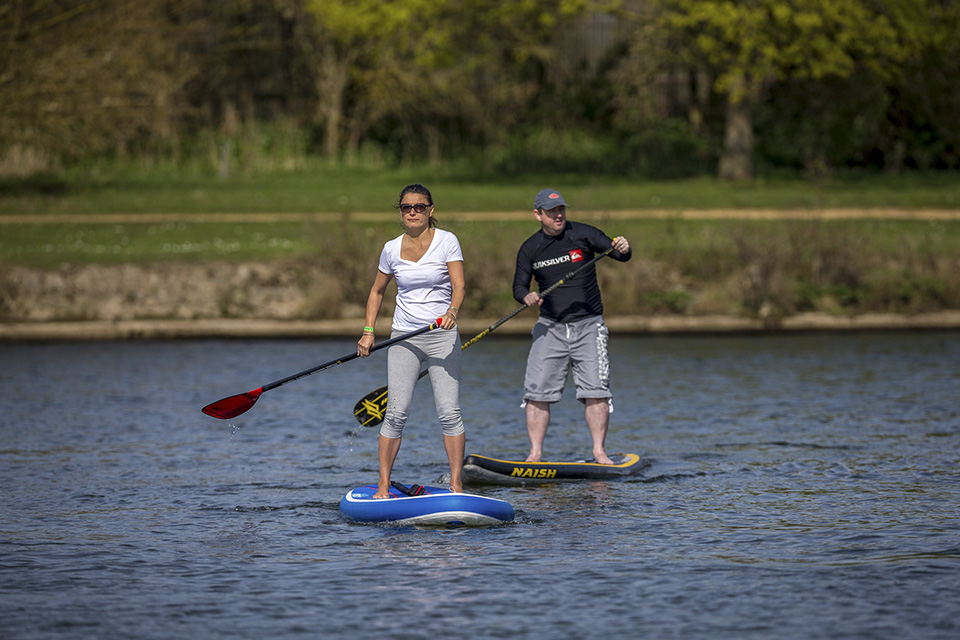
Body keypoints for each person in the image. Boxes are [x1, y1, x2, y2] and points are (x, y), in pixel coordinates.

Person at [357, 184, 466, 498]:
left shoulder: (447, 241)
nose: (413, 212)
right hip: (404, 337)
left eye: (419, 206)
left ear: (430, 210)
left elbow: (459, 286)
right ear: (401, 212)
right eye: (407, 207)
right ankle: (382, 487)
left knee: (449, 412)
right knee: (396, 413)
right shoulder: (391, 248)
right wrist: (368, 331)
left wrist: (452, 311)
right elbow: (377, 292)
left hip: (442, 335)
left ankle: (456, 486)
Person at [512, 188, 632, 464]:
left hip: (589, 326)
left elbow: (618, 253)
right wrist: (526, 295)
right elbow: (519, 286)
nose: (558, 215)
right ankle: (535, 454)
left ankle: (599, 452)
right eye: (552, 211)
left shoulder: (584, 234)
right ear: (537, 215)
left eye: (561, 209)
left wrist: (624, 247)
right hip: (549, 326)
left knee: (596, 391)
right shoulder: (530, 248)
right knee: (536, 393)